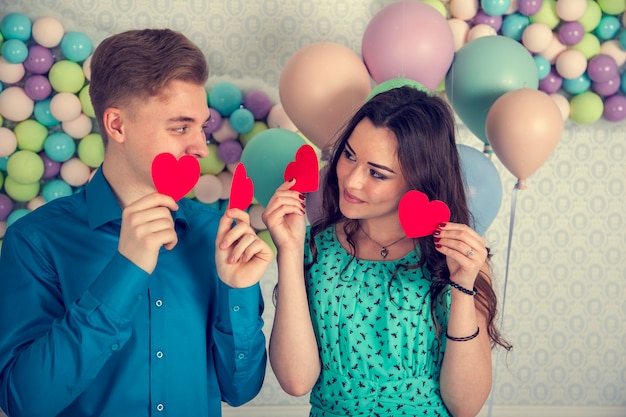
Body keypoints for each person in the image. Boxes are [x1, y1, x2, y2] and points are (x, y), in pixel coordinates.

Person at [0, 29, 272, 417]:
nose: (199, 146)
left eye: (202, 127)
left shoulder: (216, 235)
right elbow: (24, 403)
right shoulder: (34, 241)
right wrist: (125, 270)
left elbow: (241, 390)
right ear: (116, 125)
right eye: (180, 127)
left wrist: (239, 293)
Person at [262, 85, 511, 417]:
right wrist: (289, 252)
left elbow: (466, 406)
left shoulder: (460, 261)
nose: (351, 181)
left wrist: (463, 287)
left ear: (418, 179)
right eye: (349, 155)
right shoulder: (315, 248)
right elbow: (296, 381)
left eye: (376, 173)